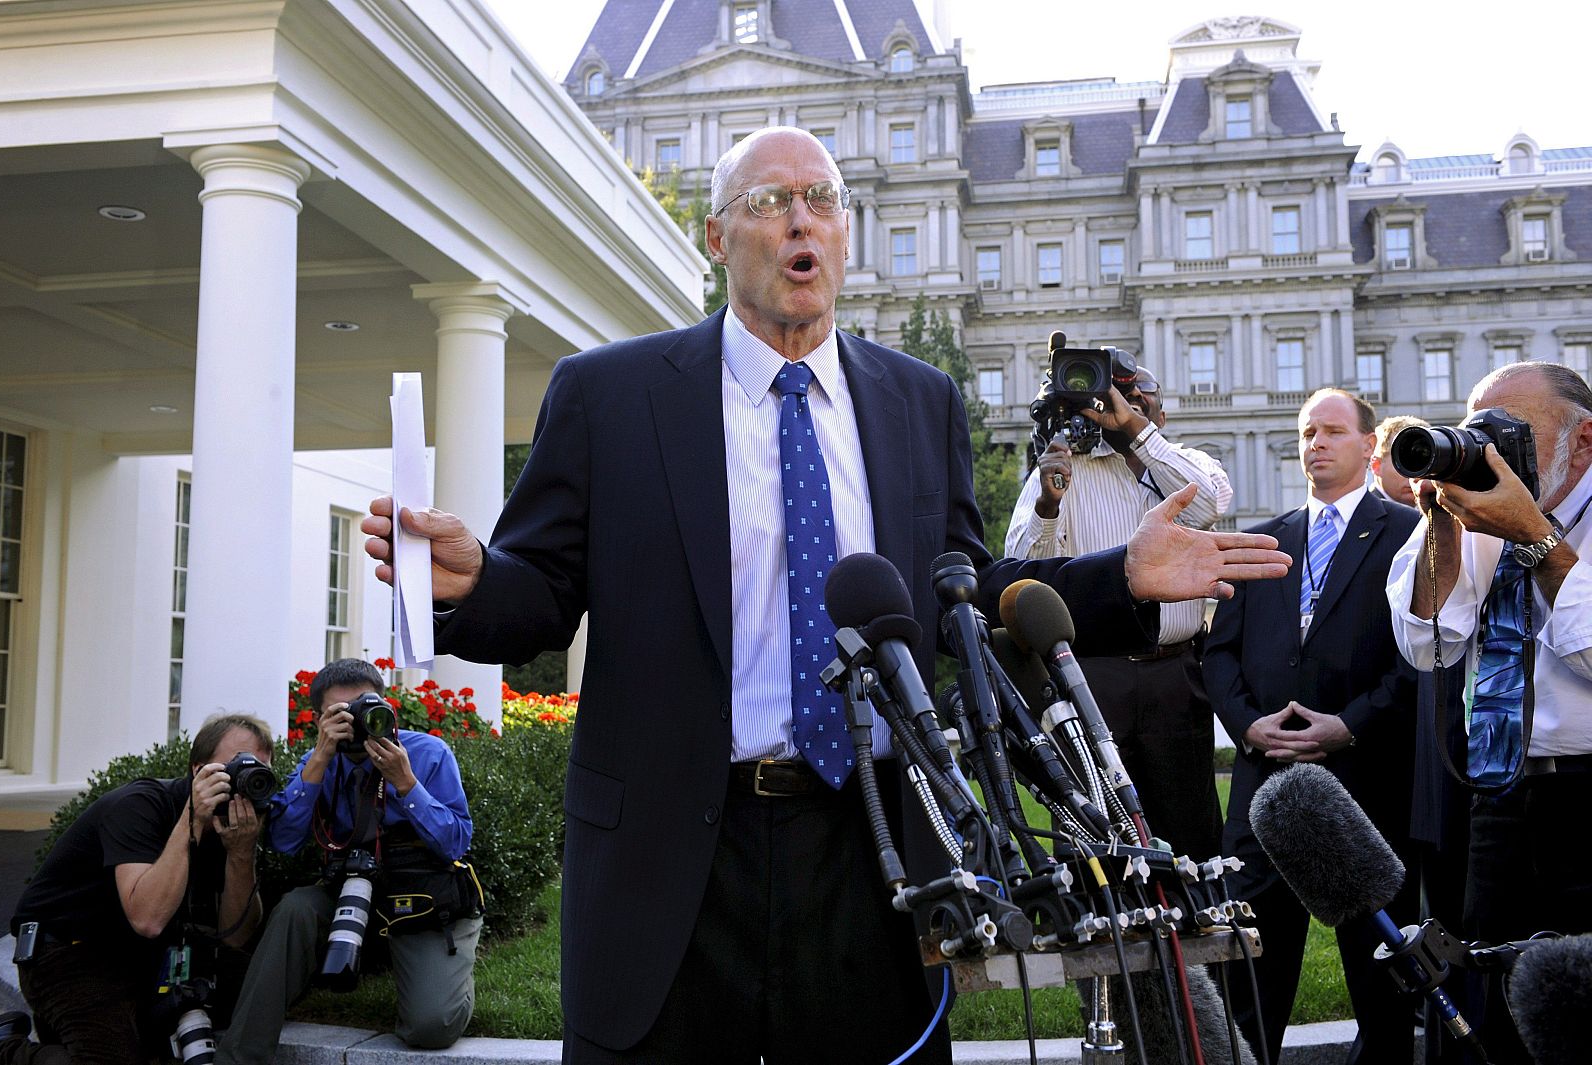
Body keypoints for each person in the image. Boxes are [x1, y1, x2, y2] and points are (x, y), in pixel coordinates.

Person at [362, 126, 1290, 1064]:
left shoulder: (919, 401)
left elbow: (962, 591)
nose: (800, 220)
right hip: (672, 858)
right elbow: (544, 594)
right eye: (769, 202)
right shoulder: (611, 395)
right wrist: (475, 579)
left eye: (822, 200)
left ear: (845, 236)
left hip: (873, 852)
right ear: (720, 238)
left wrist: (1116, 576)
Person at [1205, 388, 1421, 1065]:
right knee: (1251, 971)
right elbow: (1217, 654)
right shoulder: (1266, 540)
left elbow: (1420, 662)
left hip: (1365, 783)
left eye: (1332, 431)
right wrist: (1248, 726)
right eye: (1306, 432)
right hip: (1264, 787)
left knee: (1378, 970)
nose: (1315, 444)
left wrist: (1348, 726)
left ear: (1369, 447)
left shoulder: (1410, 534)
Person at [1386, 361, 1592, 1064]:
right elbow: (1427, 643)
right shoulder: (1474, 513)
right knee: (1498, 1004)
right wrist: (1443, 525)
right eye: (1479, 431)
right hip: (1500, 796)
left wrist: (1533, 533)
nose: (1491, 448)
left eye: (1512, 431)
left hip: (1590, 792)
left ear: (1583, 440)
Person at [1005, 363, 1232, 858]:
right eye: (1116, 395)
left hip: (1174, 671)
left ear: (1161, 413)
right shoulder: (1066, 466)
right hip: (1094, 675)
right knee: (1100, 831)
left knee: (1190, 828)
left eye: (1137, 393)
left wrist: (1133, 430)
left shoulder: (1189, 462)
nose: (1125, 402)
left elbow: (1205, 507)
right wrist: (1048, 502)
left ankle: (1198, 924)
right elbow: (1025, 569)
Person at [214, 659, 480, 1064]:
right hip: (348, 890)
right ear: (320, 719)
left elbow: (455, 843)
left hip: (420, 897)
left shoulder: (427, 754)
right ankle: (239, 1057)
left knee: (432, 1026)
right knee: (295, 909)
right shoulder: (320, 760)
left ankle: (435, 970)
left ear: (386, 706)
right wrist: (319, 761)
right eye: (339, 714)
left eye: (362, 708)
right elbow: (284, 841)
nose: (354, 723)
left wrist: (406, 783)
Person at [0, 715, 270, 1065]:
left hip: (142, 954)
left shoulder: (235, 820)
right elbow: (148, 919)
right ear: (198, 769)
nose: (245, 777)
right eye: (235, 765)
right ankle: (4, 1048)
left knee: (245, 991)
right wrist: (192, 820)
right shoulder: (140, 805)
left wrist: (242, 854)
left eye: (257, 768)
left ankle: (95, 1032)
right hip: (68, 952)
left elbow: (236, 935)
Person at [1372, 413, 1429, 506]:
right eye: (1405, 462)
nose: (1416, 475)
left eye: (1422, 461)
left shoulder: (1442, 511)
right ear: (1376, 465)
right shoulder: (1358, 515)